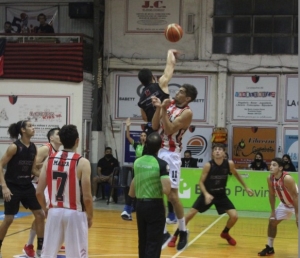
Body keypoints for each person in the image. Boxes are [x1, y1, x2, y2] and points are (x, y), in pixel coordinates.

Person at [168, 144, 253, 248]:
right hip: (207, 194)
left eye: (220, 149)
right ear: (212, 153)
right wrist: (206, 194)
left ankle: (225, 233)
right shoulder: (209, 165)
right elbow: (200, 182)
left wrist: (246, 187)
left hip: (221, 195)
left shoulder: (229, 164)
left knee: (234, 216)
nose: (217, 151)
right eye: (215, 150)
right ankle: (175, 236)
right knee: (189, 215)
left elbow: (236, 174)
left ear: (224, 153)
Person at [151, 83, 198, 251]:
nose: (177, 93)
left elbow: (170, 130)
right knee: (156, 192)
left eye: (181, 92)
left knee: (172, 195)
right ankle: (163, 232)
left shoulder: (187, 113)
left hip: (172, 154)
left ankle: (183, 230)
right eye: (178, 90)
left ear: (188, 98)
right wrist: (158, 108)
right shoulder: (169, 103)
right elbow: (155, 126)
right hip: (158, 151)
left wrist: (164, 110)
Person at [36, 124, 93, 257]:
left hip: (54, 212)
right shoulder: (82, 162)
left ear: (61, 140)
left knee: (47, 254)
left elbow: (39, 192)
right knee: (76, 255)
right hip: (75, 213)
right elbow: (87, 197)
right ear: (77, 141)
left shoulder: (49, 159)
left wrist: (45, 209)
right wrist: (90, 215)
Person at [0, 120, 45, 258]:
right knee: (8, 219)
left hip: (27, 185)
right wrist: (4, 187)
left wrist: (46, 177)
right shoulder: (14, 147)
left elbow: (33, 170)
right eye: (30, 126)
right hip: (12, 186)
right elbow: (0, 165)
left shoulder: (33, 148)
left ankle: (40, 250)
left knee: (40, 215)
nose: (33, 128)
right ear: (22, 130)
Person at [128, 132, 171, 258]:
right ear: (160, 146)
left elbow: (134, 183)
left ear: (146, 144)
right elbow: (166, 190)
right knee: (154, 242)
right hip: (155, 205)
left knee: (143, 240)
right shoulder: (162, 164)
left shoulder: (137, 162)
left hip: (140, 205)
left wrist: (128, 205)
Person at [23, 127, 62, 257]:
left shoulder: (58, 151)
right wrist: (45, 175)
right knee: (42, 215)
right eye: (58, 134)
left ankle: (50, 240)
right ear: (51, 138)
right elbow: (31, 167)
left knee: (47, 214)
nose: (60, 135)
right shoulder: (46, 148)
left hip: (46, 185)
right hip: (36, 185)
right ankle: (29, 245)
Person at [257, 157, 298, 256]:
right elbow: (271, 194)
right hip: (284, 205)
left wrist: (297, 214)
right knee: (272, 222)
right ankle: (270, 248)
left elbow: (296, 196)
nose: (271, 167)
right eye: (270, 164)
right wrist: (272, 211)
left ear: (280, 168)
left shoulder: (287, 178)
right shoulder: (269, 178)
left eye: (274, 165)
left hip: (297, 203)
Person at [137, 49, 178, 135]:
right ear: (153, 77)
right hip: (167, 123)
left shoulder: (141, 100)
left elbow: (145, 118)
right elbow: (170, 66)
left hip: (154, 131)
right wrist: (170, 53)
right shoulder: (160, 84)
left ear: (141, 82)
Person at [121, 117, 147, 220]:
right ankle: (131, 207)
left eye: (145, 135)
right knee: (135, 187)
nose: (143, 137)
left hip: (146, 169)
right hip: (137, 168)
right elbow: (128, 136)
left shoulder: (149, 146)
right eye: (142, 135)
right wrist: (128, 126)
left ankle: (140, 206)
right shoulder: (137, 145)